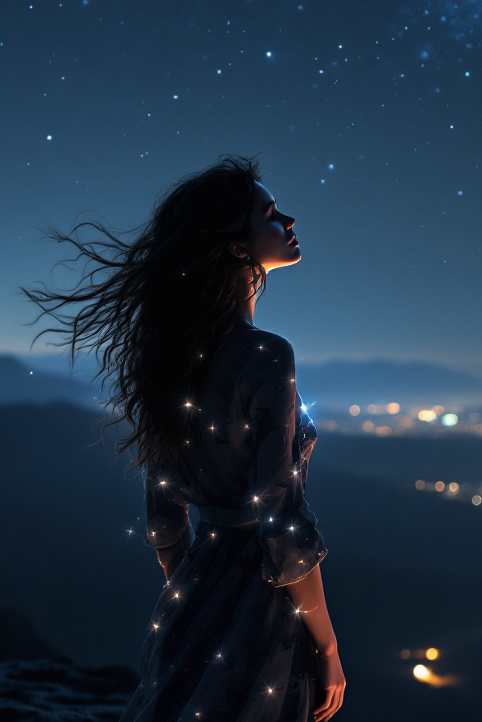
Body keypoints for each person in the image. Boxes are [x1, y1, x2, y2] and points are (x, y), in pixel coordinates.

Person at [24, 157, 345, 722]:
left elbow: (163, 515)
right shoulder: (267, 355)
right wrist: (328, 645)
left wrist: (192, 594)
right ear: (236, 247)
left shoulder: (170, 361)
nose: (289, 218)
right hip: (263, 604)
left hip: (193, 593)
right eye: (269, 213)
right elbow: (281, 518)